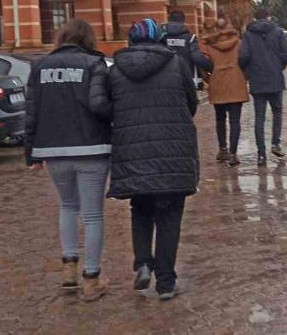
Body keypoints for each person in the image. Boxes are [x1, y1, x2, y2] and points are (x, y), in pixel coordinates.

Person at [108, 19, 198, 301]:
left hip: (133, 153)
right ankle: (166, 283)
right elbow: (192, 103)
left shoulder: (116, 69)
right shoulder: (176, 64)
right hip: (173, 153)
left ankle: (144, 263)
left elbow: (108, 108)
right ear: (158, 38)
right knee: (170, 217)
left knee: (141, 209)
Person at [24, 19, 112, 302]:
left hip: (53, 149)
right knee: (93, 214)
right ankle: (91, 277)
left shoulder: (40, 66)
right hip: (91, 146)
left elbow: (31, 111)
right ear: (89, 38)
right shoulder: (94, 64)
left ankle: (69, 269)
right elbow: (99, 104)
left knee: (68, 206)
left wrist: (31, 152)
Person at [238, 7, 287, 167]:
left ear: (255, 18)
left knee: (259, 117)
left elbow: (243, 56)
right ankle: (275, 144)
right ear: (269, 17)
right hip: (275, 79)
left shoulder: (248, 34)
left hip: (257, 80)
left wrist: (248, 72)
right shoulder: (277, 32)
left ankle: (261, 154)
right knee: (277, 112)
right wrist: (278, 67)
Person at [201, 13, 249, 167]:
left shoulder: (210, 45)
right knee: (235, 120)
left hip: (218, 83)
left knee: (220, 118)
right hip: (236, 82)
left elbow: (203, 63)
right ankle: (233, 154)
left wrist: (208, 77)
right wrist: (243, 75)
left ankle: (223, 149)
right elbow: (245, 58)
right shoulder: (238, 42)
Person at [162, 10, 214, 83]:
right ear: (183, 21)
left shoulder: (161, 37)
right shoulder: (190, 38)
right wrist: (212, 68)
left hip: (166, 79)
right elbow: (197, 57)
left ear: (169, 20)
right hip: (187, 79)